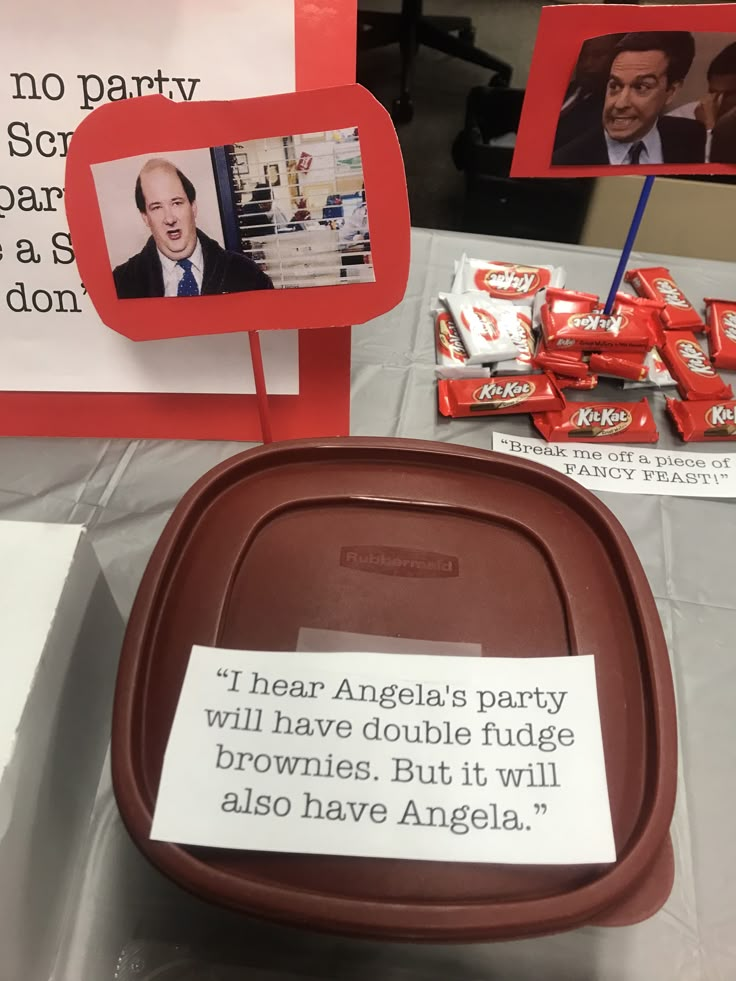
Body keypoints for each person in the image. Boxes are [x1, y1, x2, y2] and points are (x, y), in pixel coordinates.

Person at [113, 159, 273, 299]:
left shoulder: (248, 275)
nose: (169, 219)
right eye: (156, 207)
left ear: (193, 207)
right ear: (145, 217)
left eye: (176, 203)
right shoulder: (121, 284)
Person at [552, 32, 706, 166]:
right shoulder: (565, 161)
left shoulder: (690, 135)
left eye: (640, 88)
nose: (620, 103)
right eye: (615, 86)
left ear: (671, 91)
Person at [554, 34, 625, 151]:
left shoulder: (613, 106)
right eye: (583, 56)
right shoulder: (563, 90)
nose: (587, 64)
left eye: (597, 56)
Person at [667, 42, 736, 161]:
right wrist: (707, 129)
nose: (718, 102)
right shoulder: (679, 119)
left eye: (728, 94)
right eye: (713, 92)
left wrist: (710, 130)